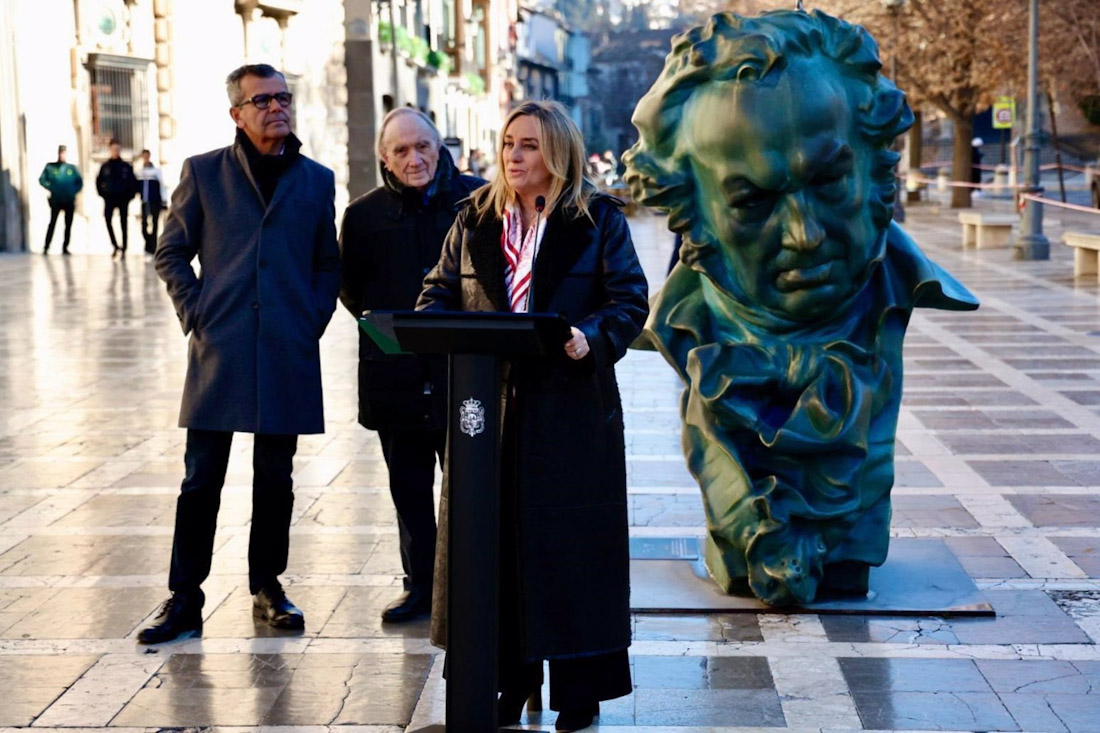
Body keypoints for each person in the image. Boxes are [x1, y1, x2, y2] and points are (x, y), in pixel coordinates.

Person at [623, 9, 977, 605]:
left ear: (875, 165)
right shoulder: (682, 327)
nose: (805, 234)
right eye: (753, 201)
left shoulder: (892, 286)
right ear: (692, 211)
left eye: (830, 181)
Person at [417, 100, 648, 732]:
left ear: (558, 154)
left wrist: (591, 337)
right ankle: (503, 679)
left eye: (528, 146)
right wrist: (434, 326)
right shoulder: (474, 218)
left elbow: (629, 299)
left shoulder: (597, 219)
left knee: (572, 550)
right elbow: (437, 291)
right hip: (486, 413)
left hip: (570, 410)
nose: (514, 157)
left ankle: (580, 688)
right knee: (494, 546)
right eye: (509, 144)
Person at [141, 63, 341, 644]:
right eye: (262, 101)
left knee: (275, 478)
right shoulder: (204, 173)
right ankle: (184, 598)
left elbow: (326, 263)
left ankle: (268, 586)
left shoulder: (316, 179)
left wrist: (311, 318)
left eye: (283, 97)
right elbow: (171, 250)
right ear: (237, 113)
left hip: (287, 348)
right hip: (220, 348)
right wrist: (196, 312)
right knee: (201, 479)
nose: (277, 107)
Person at [338, 108, 483, 623]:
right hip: (394, 376)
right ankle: (421, 584)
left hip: (465, 375)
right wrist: (394, 337)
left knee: (471, 484)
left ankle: (472, 584)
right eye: (401, 150)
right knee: (409, 488)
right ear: (384, 157)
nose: (414, 158)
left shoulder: (478, 201)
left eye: (423, 146)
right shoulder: (362, 215)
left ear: (439, 147)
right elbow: (351, 291)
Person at [95, 139, 137, 259]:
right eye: (114, 149)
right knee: (108, 220)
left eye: (117, 149)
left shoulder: (126, 166)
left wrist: (130, 196)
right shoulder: (105, 166)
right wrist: (102, 194)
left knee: (124, 223)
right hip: (109, 198)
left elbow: (132, 182)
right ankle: (115, 245)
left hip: (123, 198)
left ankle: (124, 248)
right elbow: (98, 181)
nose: (116, 151)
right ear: (110, 150)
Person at [38, 144, 82, 255]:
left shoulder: (71, 168)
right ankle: (46, 246)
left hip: (68, 200)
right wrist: (52, 188)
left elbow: (79, 182)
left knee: (68, 224)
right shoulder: (50, 167)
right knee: (52, 223)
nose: (62, 155)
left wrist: (73, 191)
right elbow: (42, 180)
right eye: (61, 153)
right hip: (56, 200)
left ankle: (65, 247)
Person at [135, 149, 165, 255]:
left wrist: (164, 200)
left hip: (155, 201)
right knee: (144, 225)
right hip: (144, 201)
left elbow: (162, 186)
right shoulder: (139, 172)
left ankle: (153, 246)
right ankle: (149, 244)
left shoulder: (156, 171)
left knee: (155, 223)